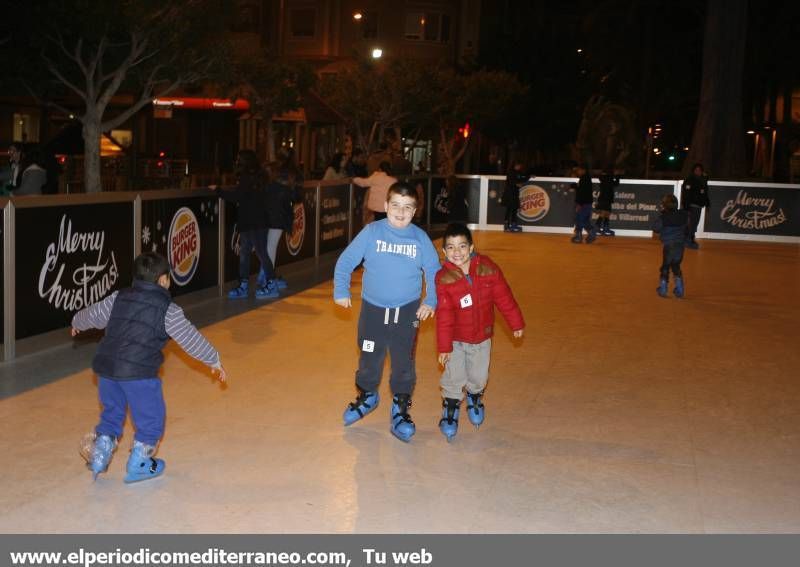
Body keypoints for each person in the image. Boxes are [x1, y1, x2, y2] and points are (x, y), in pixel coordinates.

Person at [71, 252, 227, 483]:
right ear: (163, 280)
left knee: (112, 413)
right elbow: (189, 338)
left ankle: (100, 454)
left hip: (107, 370)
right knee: (150, 418)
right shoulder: (168, 309)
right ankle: (139, 463)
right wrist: (213, 359)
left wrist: (77, 322)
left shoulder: (118, 297)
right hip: (139, 374)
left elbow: (94, 313)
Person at [333, 182, 441, 442]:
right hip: (373, 310)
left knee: (403, 362)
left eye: (407, 207)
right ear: (385, 206)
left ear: (415, 211)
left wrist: (432, 300)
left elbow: (435, 271)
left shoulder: (419, 239)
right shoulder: (372, 232)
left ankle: (401, 409)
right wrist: (341, 290)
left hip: (407, 311)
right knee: (369, 356)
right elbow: (347, 261)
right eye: (395, 206)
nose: (401, 212)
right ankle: (368, 395)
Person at [434, 223, 524, 440]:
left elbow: (504, 297)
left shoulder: (488, 268)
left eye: (462, 246)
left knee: (479, 375)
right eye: (451, 248)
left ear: (471, 247)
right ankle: (451, 407)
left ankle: (475, 397)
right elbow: (444, 315)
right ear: (444, 252)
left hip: (482, 337)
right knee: (454, 376)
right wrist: (444, 346)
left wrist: (516, 322)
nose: (457, 252)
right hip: (456, 339)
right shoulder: (443, 278)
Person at [213, 150, 280, 299]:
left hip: (251, 222)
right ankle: (255, 283)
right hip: (257, 222)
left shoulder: (246, 178)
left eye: (238, 159)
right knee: (254, 254)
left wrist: (218, 190)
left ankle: (265, 283)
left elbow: (237, 196)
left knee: (254, 254)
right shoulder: (261, 176)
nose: (236, 162)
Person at [261, 160, 302, 290]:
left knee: (268, 248)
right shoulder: (285, 188)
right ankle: (268, 277)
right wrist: (296, 186)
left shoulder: (271, 186)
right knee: (270, 248)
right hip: (277, 222)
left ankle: (267, 277)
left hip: (270, 221)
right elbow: (297, 198)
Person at [653, 194, 689, 298]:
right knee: (676, 266)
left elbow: (655, 228)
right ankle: (680, 289)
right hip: (680, 246)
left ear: (664, 206)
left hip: (669, 246)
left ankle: (663, 289)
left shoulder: (663, 217)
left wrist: (661, 214)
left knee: (665, 267)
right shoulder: (683, 215)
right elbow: (687, 229)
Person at [680, 163, 709, 249]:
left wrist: (707, 203)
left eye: (700, 170)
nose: (698, 172)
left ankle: (690, 238)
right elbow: (686, 193)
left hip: (698, 206)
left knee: (694, 224)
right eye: (696, 170)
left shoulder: (703, 180)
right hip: (691, 206)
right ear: (693, 171)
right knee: (690, 224)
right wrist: (686, 206)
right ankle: (687, 240)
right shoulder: (690, 180)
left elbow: (704, 193)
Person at [571, 165, 597, 243]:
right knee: (585, 221)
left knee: (579, 219)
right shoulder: (586, 178)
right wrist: (575, 186)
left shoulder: (584, 179)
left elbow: (582, 192)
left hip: (584, 203)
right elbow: (582, 190)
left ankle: (578, 237)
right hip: (587, 203)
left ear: (583, 170)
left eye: (579, 170)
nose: (578, 172)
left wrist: (579, 203)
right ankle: (592, 234)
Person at [502, 160, 526, 232]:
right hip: (509, 194)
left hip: (515, 193)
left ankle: (513, 224)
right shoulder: (510, 172)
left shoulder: (518, 172)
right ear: (514, 165)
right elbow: (511, 182)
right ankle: (506, 226)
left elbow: (522, 178)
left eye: (520, 165)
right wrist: (517, 184)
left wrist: (529, 176)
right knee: (509, 209)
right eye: (518, 165)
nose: (519, 167)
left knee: (515, 209)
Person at [596, 168, 621, 236]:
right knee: (604, 213)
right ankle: (598, 229)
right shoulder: (608, 179)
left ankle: (604, 229)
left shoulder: (603, 178)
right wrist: (617, 175)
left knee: (606, 213)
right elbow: (616, 183)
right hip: (606, 199)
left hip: (604, 199)